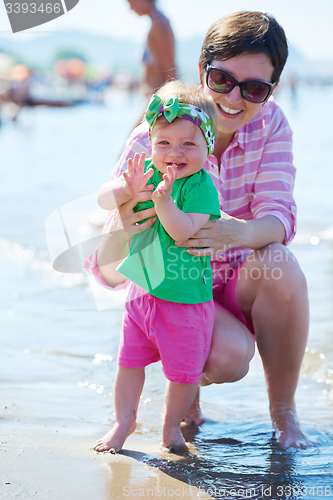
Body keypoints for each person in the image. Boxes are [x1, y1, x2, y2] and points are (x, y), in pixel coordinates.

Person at [85, 11, 312, 449]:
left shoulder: (273, 125)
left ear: (271, 91)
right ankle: (184, 406)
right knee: (222, 355)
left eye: (254, 89)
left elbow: (279, 216)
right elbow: (109, 263)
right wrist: (125, 217)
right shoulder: (158, 135)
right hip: (171, 284)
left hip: (234, 281)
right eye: (222, 79)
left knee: (281, 265)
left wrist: (237, 232)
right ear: (202, 72)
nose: (234, 98)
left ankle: (284, 413)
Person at [93, 82, 221, 453]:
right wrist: (123, 189)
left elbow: (182, 231)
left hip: (184, 301)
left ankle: (170, 428)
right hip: (141, 293)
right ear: (150, 143)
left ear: (207, 148)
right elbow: (103, 199)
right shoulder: (145, 171)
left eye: (188, 144)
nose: (174, 154)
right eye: (164, 143)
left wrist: (164, 201)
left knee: (182, 374)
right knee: (128, 363)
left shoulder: (201, 187)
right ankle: (124, 422)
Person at [127, 0, 177, 98]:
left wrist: (176, 95)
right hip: (154, 95)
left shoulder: (160, 24)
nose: (131, 8)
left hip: (158, 97)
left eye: (131, 2)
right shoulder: (156, 21)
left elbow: (169, 64)